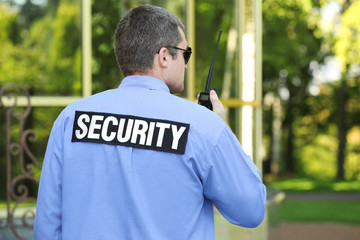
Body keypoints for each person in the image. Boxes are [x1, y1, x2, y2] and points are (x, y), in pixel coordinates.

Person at [34, 5, 266, 240]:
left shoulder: (70, 119)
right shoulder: (203, 126)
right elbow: (251, 209)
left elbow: (47, 226)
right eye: (186, 54)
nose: (186, 63)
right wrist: (222, 129)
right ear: (164, 56)